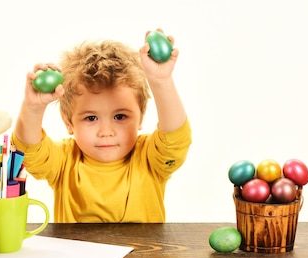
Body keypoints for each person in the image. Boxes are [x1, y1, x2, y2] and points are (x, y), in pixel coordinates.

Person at [11, 30, 191, 223]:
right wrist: (32, 108)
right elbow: (27, 152)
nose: (106, 132)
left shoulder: (149, 158)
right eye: (91, 118)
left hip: (144, 253)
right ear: (68, 122)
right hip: (76, 254)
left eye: (120, 116)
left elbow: (175, 140)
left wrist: (161, 81)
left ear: (140, 118)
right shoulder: (64, 161)